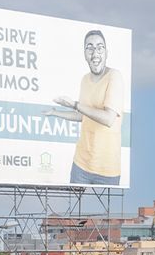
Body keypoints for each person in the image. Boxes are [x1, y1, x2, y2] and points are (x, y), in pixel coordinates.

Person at [45, 29, 125, 186]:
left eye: (100, 47)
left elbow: (108, 119)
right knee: (72, 209)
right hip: (81, 164)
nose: (95, 53)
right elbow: (83, 115)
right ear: (84, 54)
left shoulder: (114, 76)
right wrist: (55, 112)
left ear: (107, 52)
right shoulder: (84, 80)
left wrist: (74, 104)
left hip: (107, 169)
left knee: (106, 211)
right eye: (90, 48)